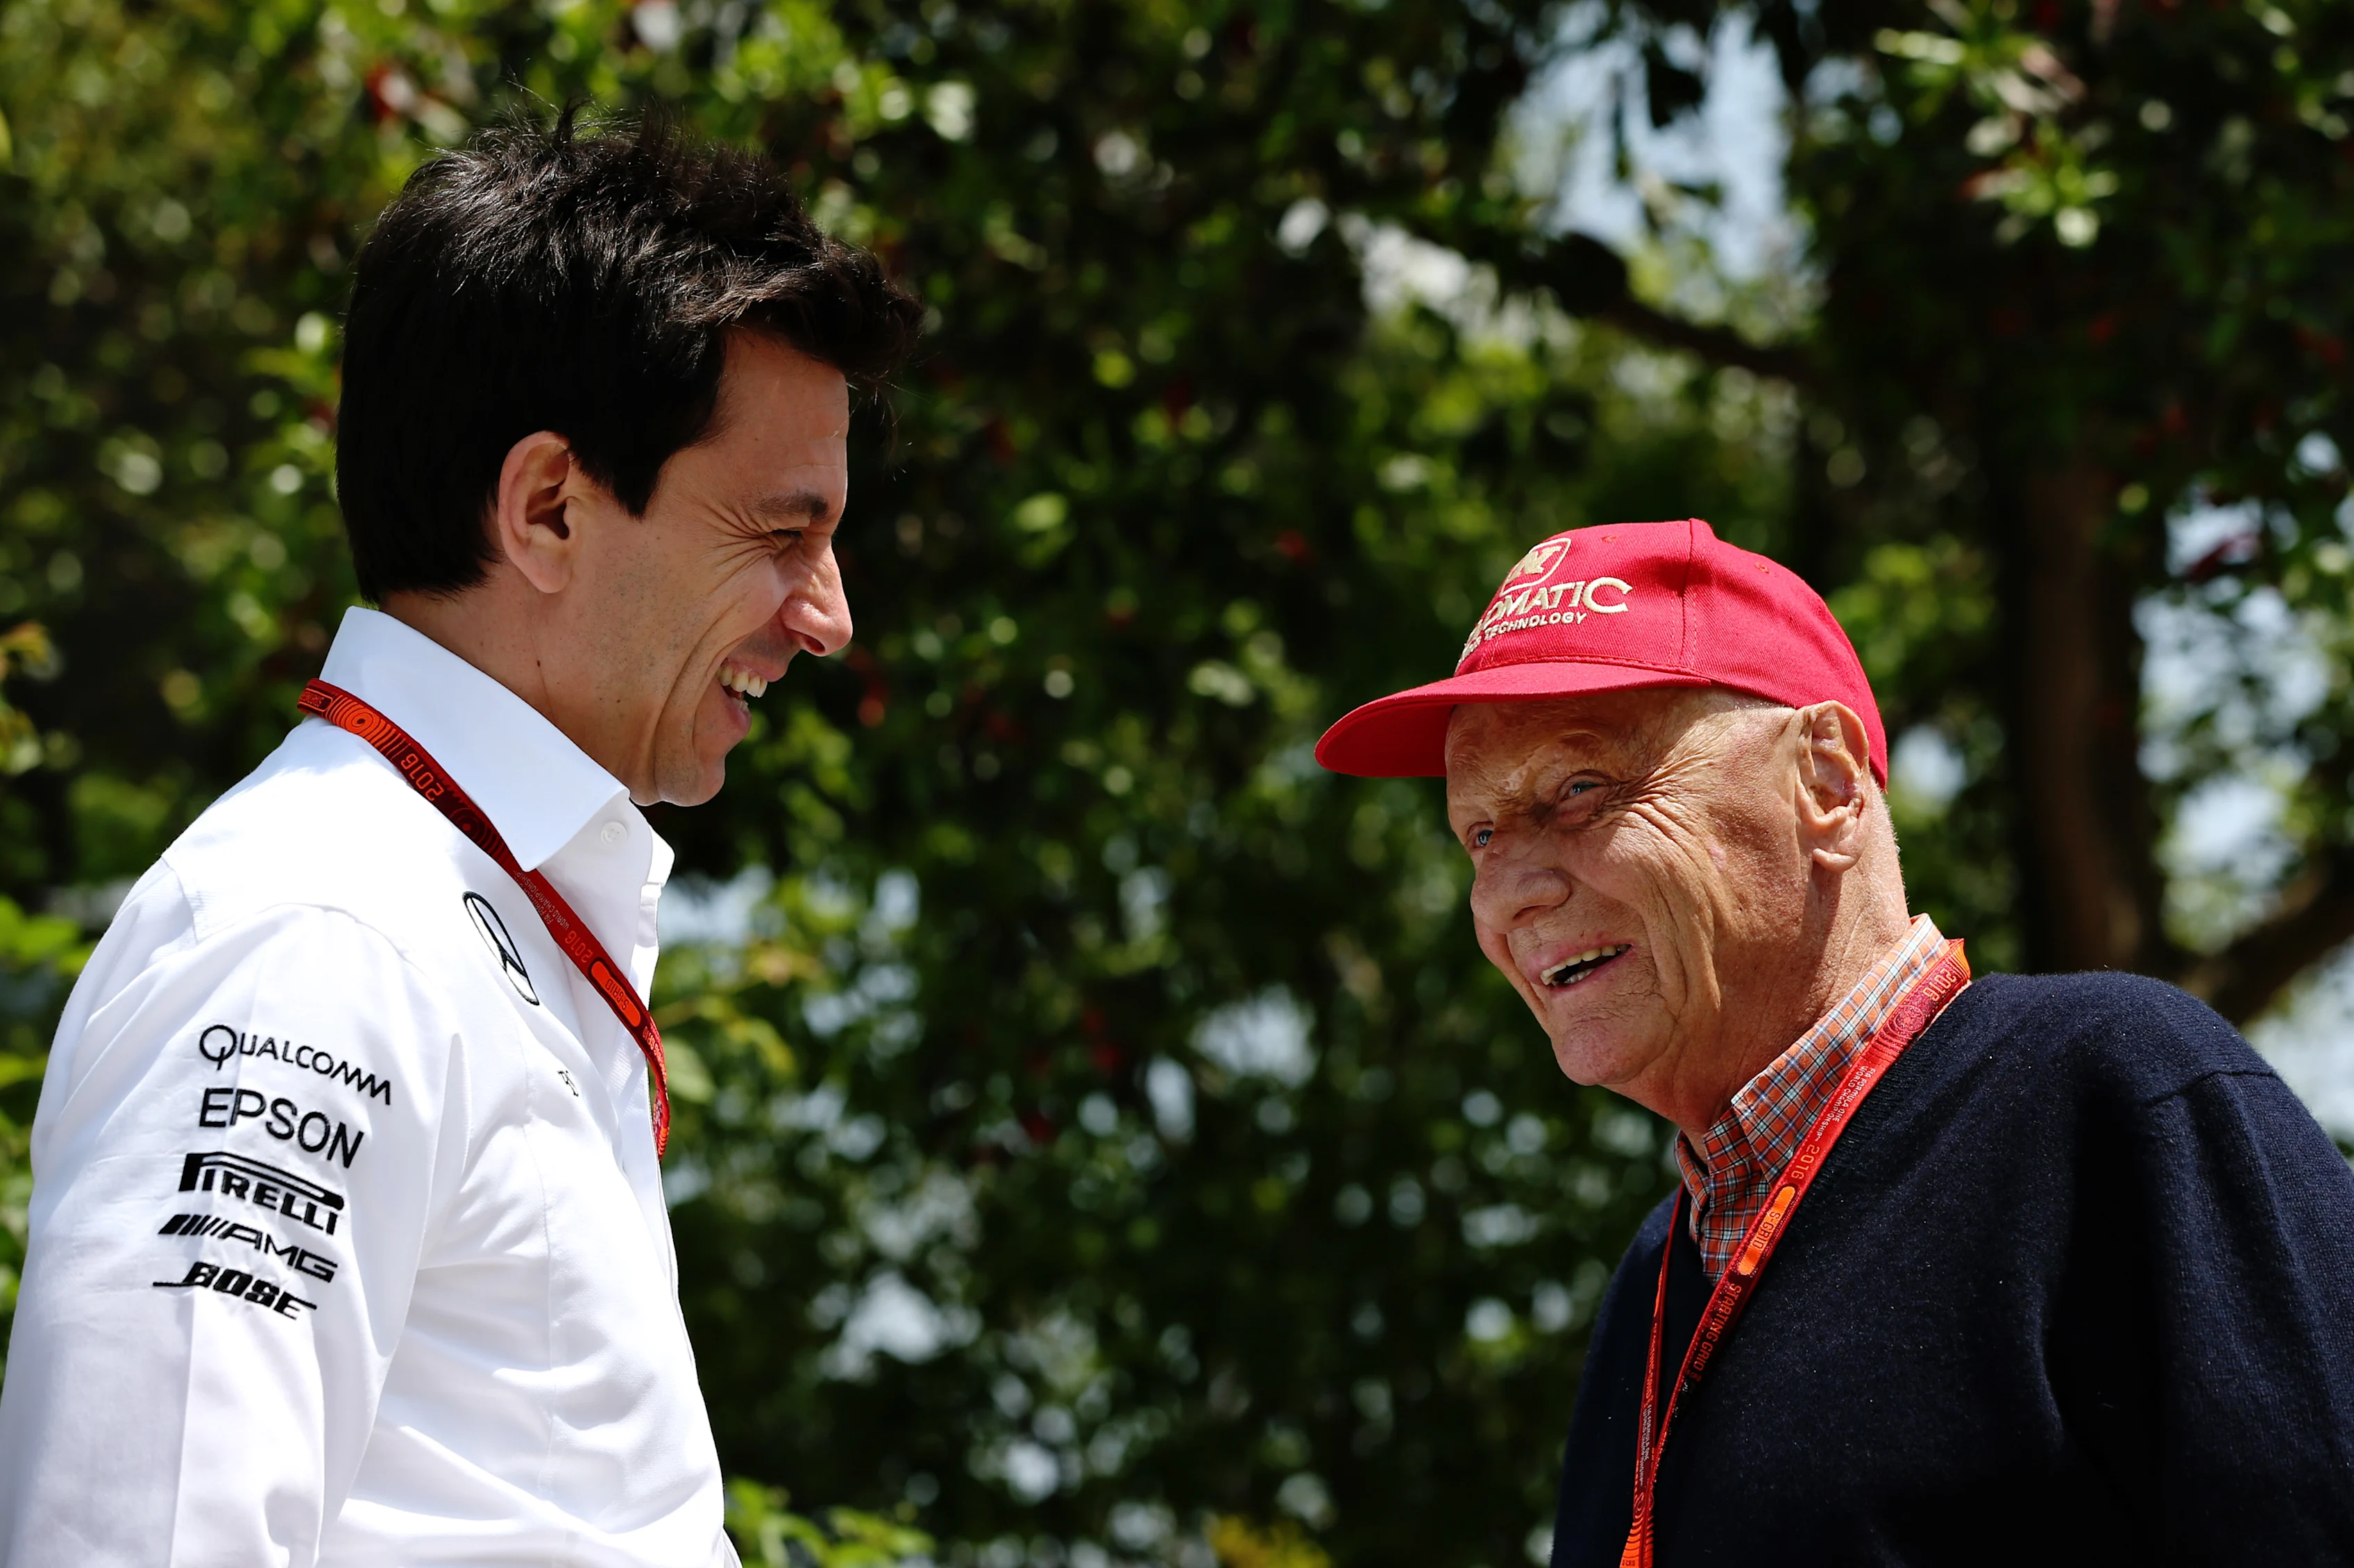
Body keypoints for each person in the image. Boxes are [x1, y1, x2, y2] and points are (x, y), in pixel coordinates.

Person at [0, 111, 920, 1565]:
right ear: (549, 508)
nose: (828, 615)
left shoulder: (451, 908)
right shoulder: (319, 936)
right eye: (781, 533)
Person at [1316, 519, 2354, 1565]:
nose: (1506, 892)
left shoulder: (2113, 1092)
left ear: (1827, 782)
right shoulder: (1657, 1276)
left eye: (1578, 790)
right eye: (1480, 833)